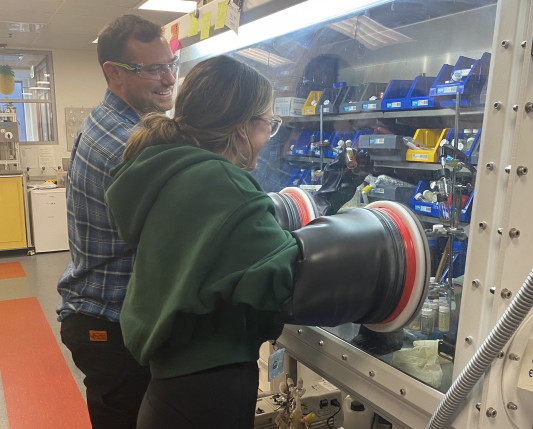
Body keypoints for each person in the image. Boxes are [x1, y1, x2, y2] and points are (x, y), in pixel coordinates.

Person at [104, 55, 424, 428]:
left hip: (176, 391)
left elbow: (230, 242)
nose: (266, 138)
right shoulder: (219, 182)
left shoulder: (174, 170)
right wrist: (384, 255)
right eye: (268, 125)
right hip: (205, 396)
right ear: (242, 127)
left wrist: (329, 199)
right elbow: (285, 282)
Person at [56, 14, 176, 429]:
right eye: (154, 69)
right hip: (108, 326)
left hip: (101, 315)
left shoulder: (116, 122)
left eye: (170, 63)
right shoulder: (127, 145)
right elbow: (180, 237)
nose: (169, 79)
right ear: (114, 73)